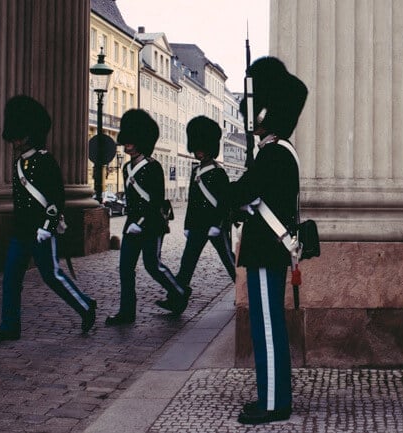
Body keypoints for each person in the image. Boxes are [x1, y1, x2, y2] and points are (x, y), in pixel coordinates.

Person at [231, 57, 308, 424]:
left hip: (266, 249)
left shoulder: (274, 153)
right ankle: (270, 396)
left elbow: (245, 191)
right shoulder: (277, 151)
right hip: (270, 249)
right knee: (267, 325)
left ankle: (275, 403)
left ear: (265, 112)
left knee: (267, 327)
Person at [0, 95, 97, 343]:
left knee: (52, 275)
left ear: (29, 134)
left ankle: (86, 306)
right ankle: (9, 326)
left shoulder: (46, 161)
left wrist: (47, 227)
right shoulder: (19, 164)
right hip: (22, 231)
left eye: (19, 135)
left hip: (41, 231)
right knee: (11, 278)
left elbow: (56, 199)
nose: (15, 140)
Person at [105, 109, 189, 326]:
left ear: (141, 141)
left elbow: (155, 201)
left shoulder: (153, 167)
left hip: (151, 225)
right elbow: (132, 202)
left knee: (153, 265)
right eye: (126, 141)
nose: (127, 145)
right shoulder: (126, 168)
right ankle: (127, 312)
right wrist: (131, 224)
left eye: (131, 141)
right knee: (125, 268)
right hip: (131, 225)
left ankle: (179, 292)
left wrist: (140, 223)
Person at [155, 116, 235, 314]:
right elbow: (193, 203)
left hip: (216, 226)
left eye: (201, 148)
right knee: (186, 264)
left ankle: (246, 293)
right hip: (199, 225)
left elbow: (225, 203)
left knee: (230, 261)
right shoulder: (196, 171)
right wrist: (188, 226)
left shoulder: (218, 173)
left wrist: (218, 224)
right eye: (197, 148)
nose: (198, 152)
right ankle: (177, 300)